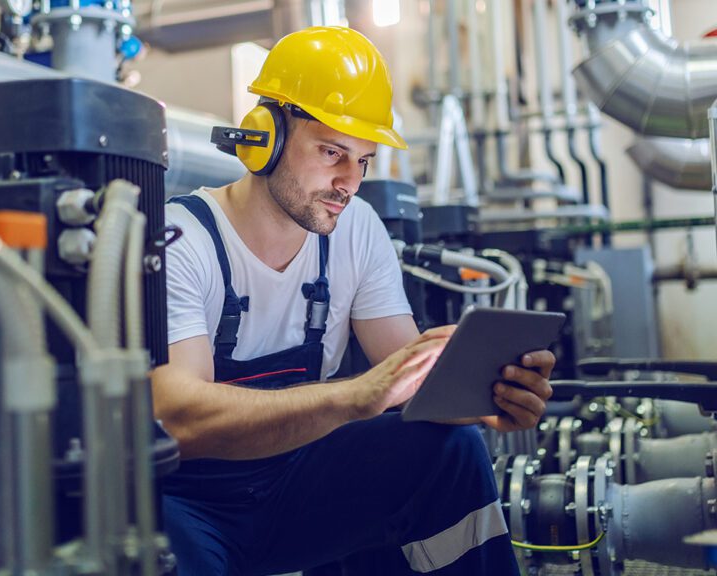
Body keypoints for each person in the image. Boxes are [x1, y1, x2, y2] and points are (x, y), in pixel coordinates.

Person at [152, 26, 555, 576]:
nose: (349, 182)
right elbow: (178, 418)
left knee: (450, 450)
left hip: (295, 484)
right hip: (188, 502)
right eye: (332, 152)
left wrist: (488, 398)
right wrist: (354, 396)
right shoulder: (181, 239)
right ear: (263, 136)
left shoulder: (356, 230)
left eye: (363, 160)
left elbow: (414, 385)